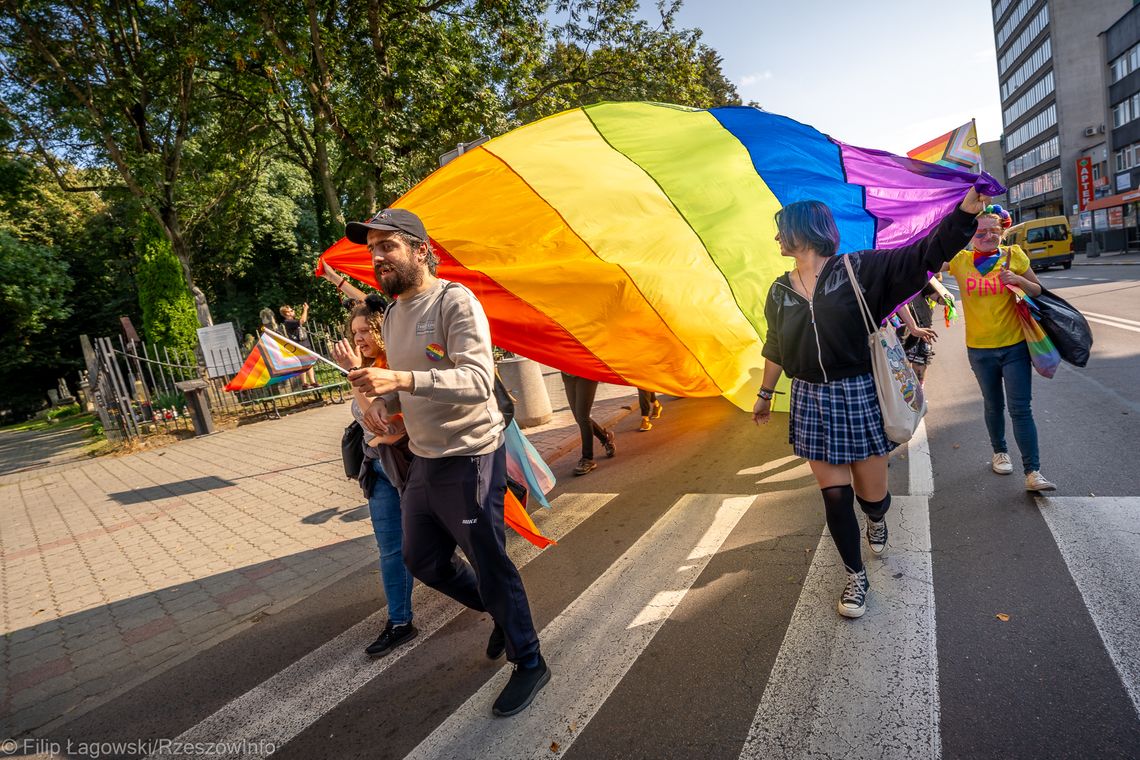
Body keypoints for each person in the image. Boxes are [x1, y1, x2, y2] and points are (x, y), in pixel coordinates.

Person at [344, 207, 549, 717]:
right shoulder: (391, 315)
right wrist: (386, 416)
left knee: (489, 560)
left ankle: (530, 662)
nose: (377, 257)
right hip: (424, 456)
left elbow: (478, 382)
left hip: (472, 453)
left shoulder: (455, 302)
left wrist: (400, 382)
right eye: (372, 249)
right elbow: (404, 391)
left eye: (387, 245)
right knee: (422, 559)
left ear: (419, 249)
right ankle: (498, 611)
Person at [753, 188, 985, 619]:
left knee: (871, 496)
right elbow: (775, 346)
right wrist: (765, 394)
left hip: (857, 392)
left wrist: (964, 216)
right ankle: (855, 575)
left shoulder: (859, 269)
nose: (777, 240)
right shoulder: (779, 289)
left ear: (804, 230)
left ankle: (877, 518)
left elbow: (922, 258)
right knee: (834, 496)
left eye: (781, 231)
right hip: (810, 397)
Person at [944, 208, 1056, 492]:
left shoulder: (1013, 256)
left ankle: (1033, 472)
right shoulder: (960, 260)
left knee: (1021, 409)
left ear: (1002, 232)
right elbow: (923, 263)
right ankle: (999, 452)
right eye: (980, 231)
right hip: (980, 350)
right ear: (970, 235)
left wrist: (1019, 281)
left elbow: (1038, 291)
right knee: (993, 405)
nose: (987, 236)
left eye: (994, 231)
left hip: (1015, 346)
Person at [331, 296, 417, 657]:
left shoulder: (392, 367)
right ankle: (400, 622)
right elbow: (371, 425)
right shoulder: (364, 368)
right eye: (355, 332)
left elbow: (377, 419)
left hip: (408, 468)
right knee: (390, 550)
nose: (360, 338)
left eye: (366, 330)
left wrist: (355, 377)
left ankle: (492, 601)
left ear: (383, 330)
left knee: (434, 547)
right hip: (378, 470)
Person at [560, 372, 616, 474]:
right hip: (567, 374)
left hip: (585, 372)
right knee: (579, 418)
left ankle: (587, 458)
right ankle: (606, 438)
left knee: (582, 417)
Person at [279, 303, 318, 389]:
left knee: (310, 363)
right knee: (303, 365)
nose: (293, 311)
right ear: (287, 313)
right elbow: (302, 320)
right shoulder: (288, 322)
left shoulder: (293, 321)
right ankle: (304, 383)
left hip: (305, 344)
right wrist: (305, 309)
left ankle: (313, 382)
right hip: (299, 346)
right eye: (291, 310)